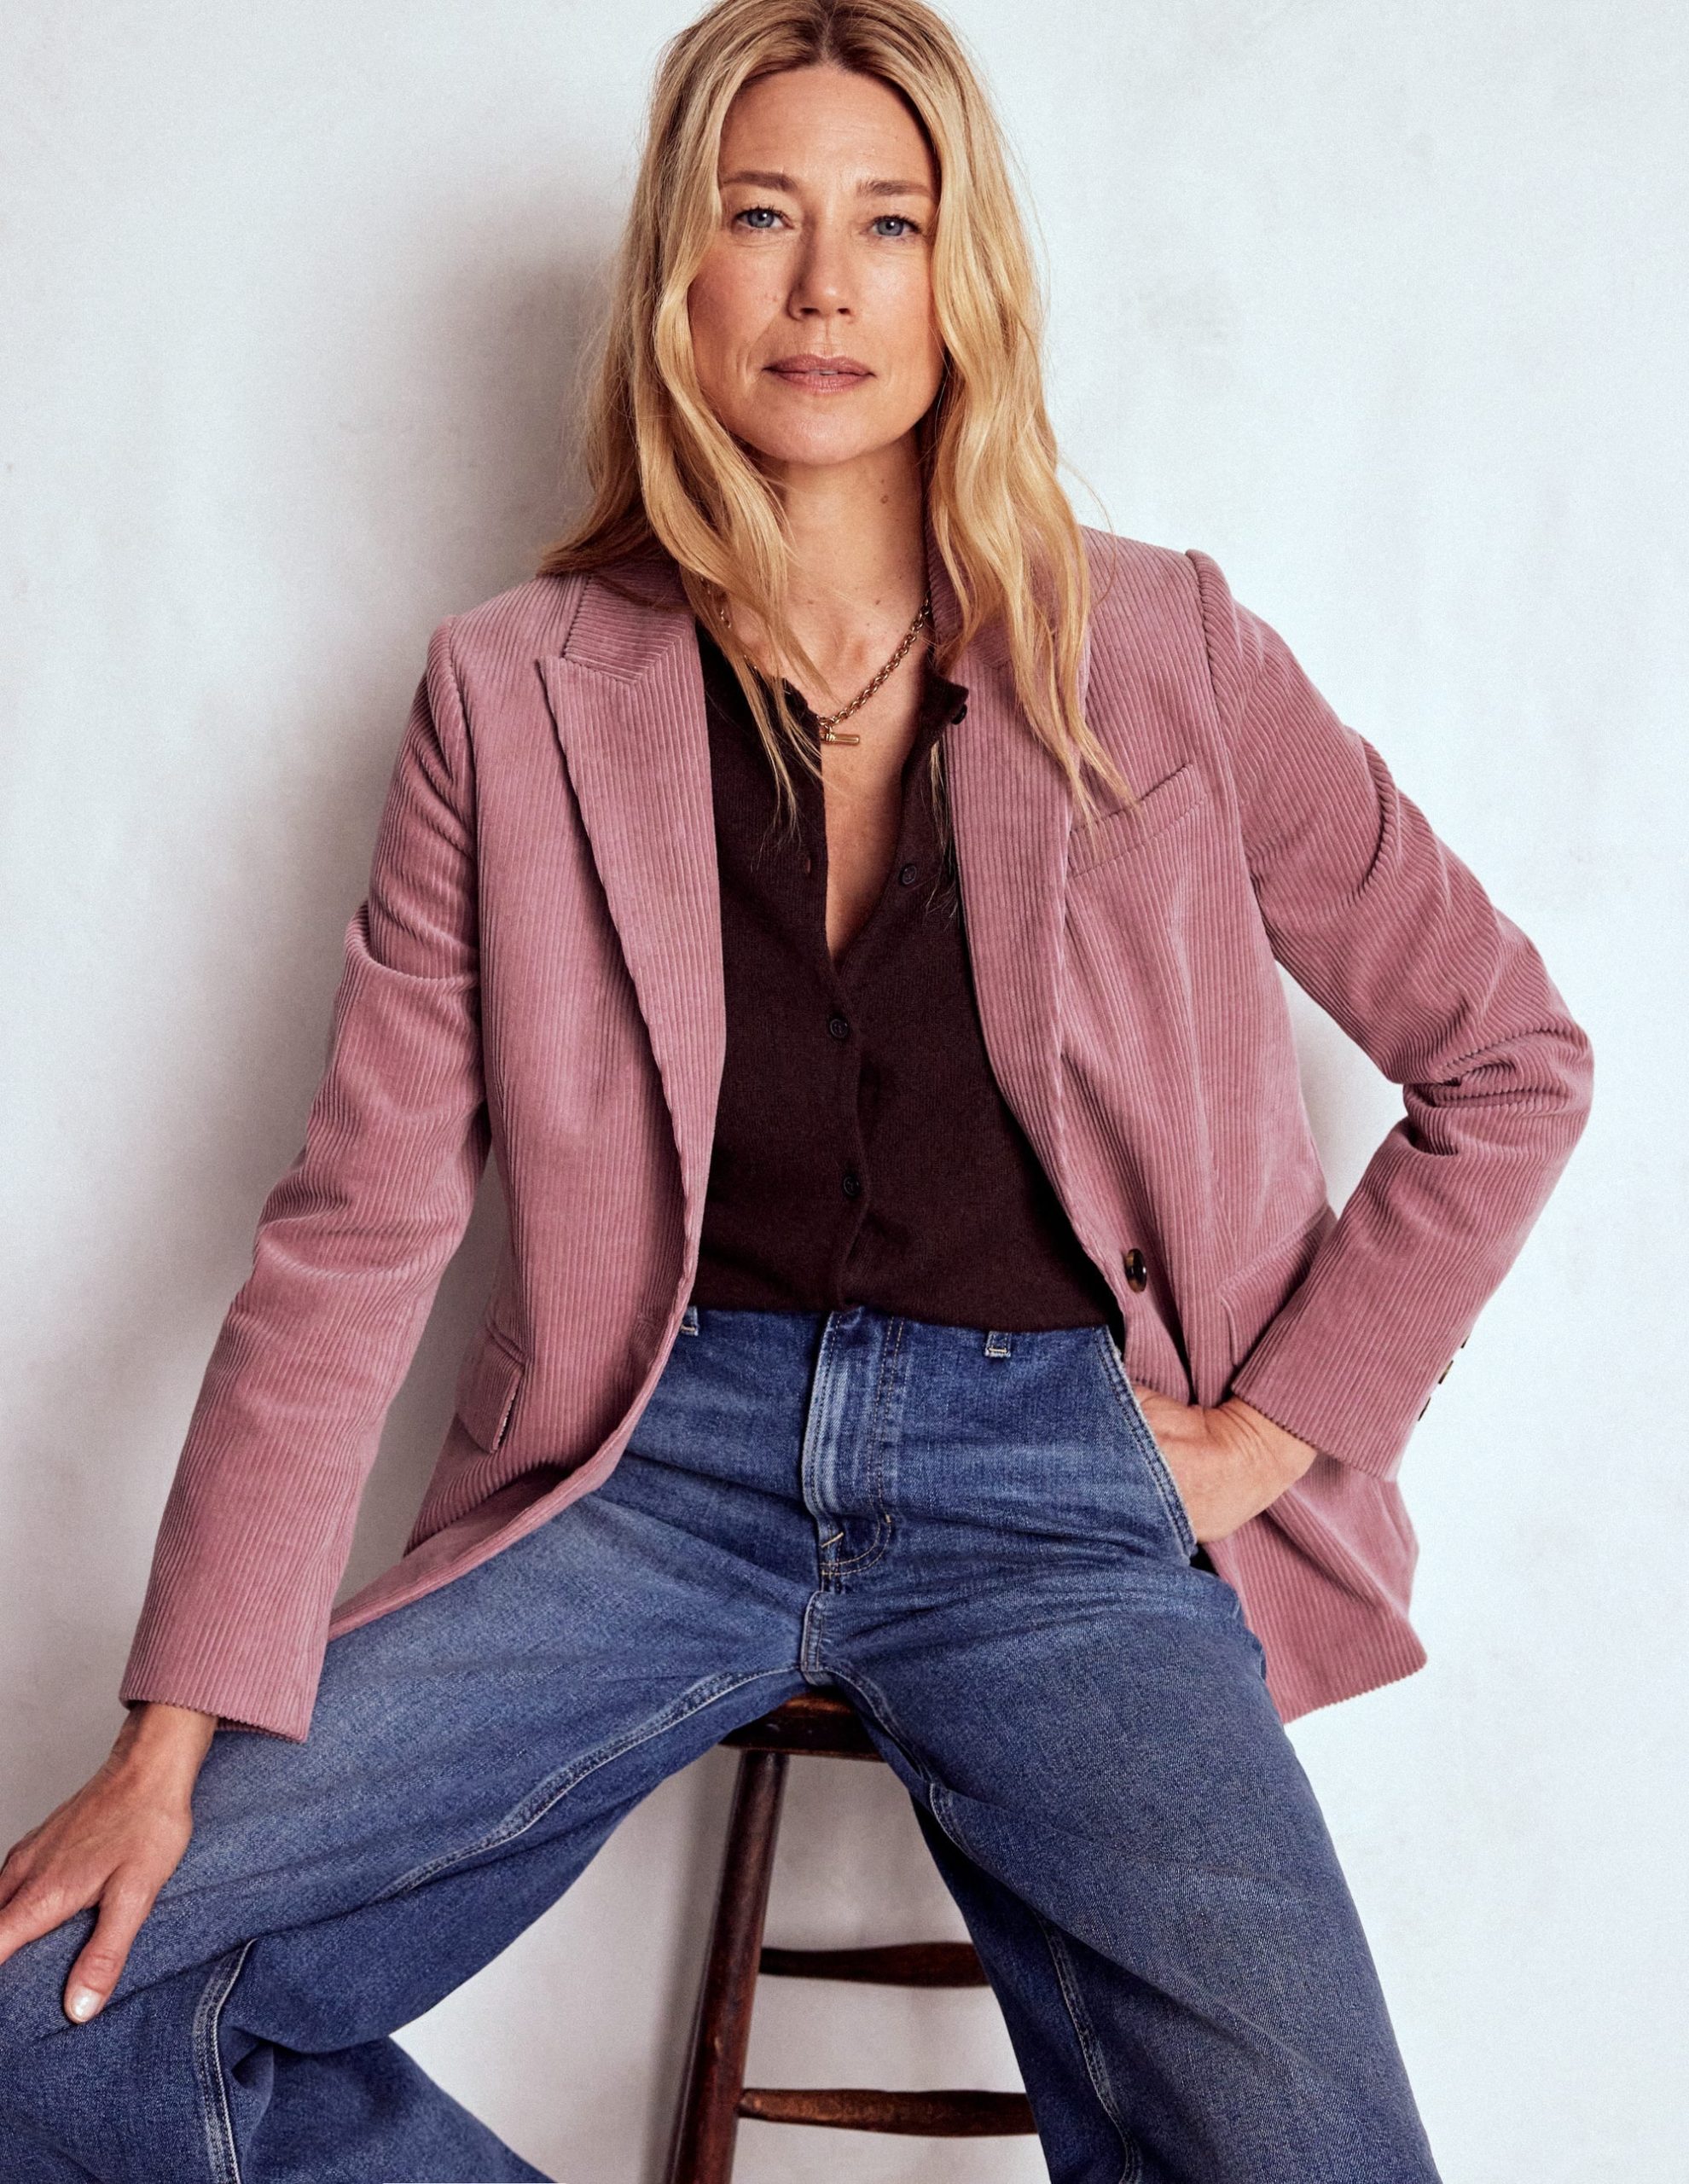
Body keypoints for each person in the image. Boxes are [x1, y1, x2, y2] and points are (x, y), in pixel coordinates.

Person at [0, 3, 1593, 2178]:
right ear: (681, 272)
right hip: (651, 1466)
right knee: (47, 2010)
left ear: (964, 281)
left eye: (890, 222)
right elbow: (359, 1224)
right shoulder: (515, 693)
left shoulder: (1165, 652)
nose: (827, 284)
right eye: (762, 216)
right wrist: (169, 1731)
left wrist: (1272, 1432)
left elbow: (1510, 1056)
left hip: (1062, 1483)